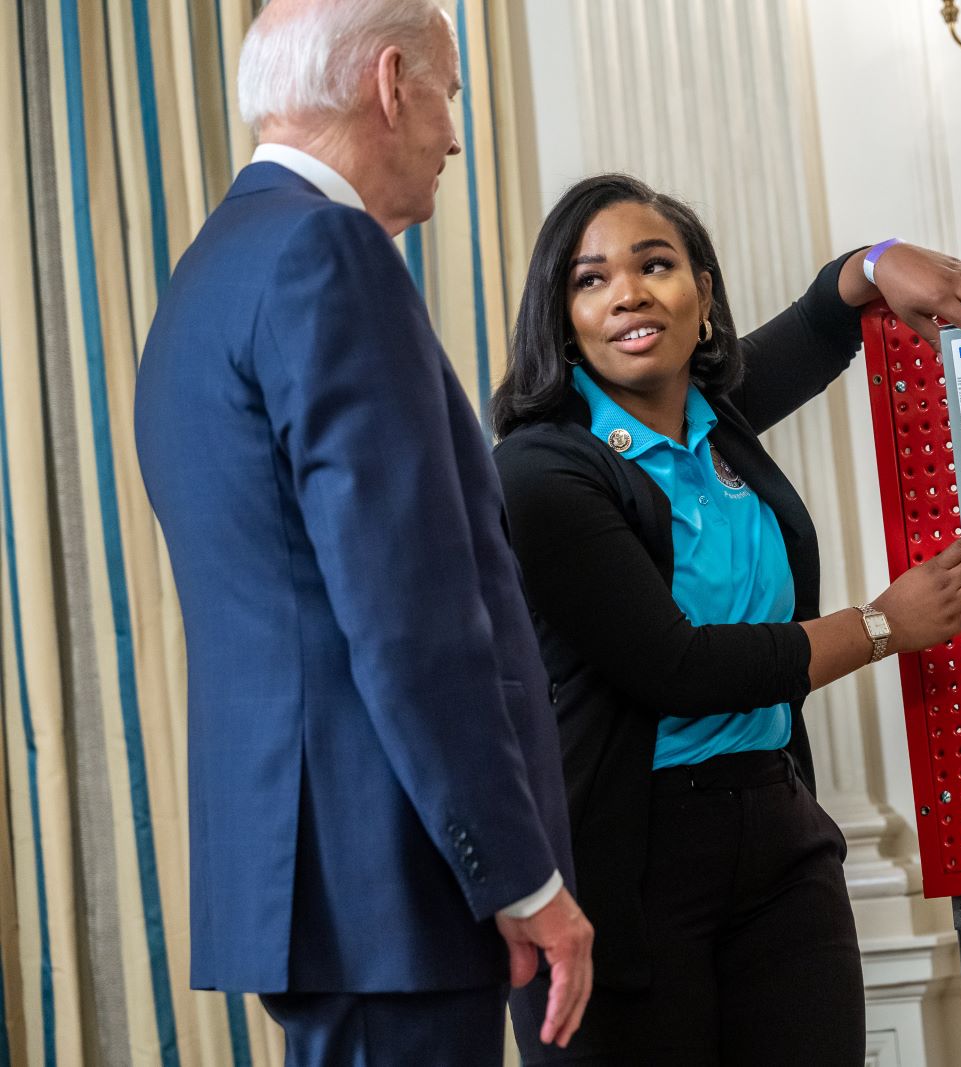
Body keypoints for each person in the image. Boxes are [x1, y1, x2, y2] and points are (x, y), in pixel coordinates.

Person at [133, 1, 592, 1062]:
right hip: (395, 879)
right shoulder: (328, 254)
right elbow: (409, 610)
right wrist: (518, 873)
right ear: (392, 83)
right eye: (448, 97)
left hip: (307, 880)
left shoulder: (208, 272)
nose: (453, 137)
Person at [492, 173, 961, 1065]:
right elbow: (677, 668)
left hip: (778, 840)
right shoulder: (540, 472)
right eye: (589, 279)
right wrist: (882, 624)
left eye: (655, 264)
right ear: (562, 323)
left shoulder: (718, 422)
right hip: (623, 871)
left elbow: (824, 319)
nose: (628, 291)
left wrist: (880, 260)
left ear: (702, 294)